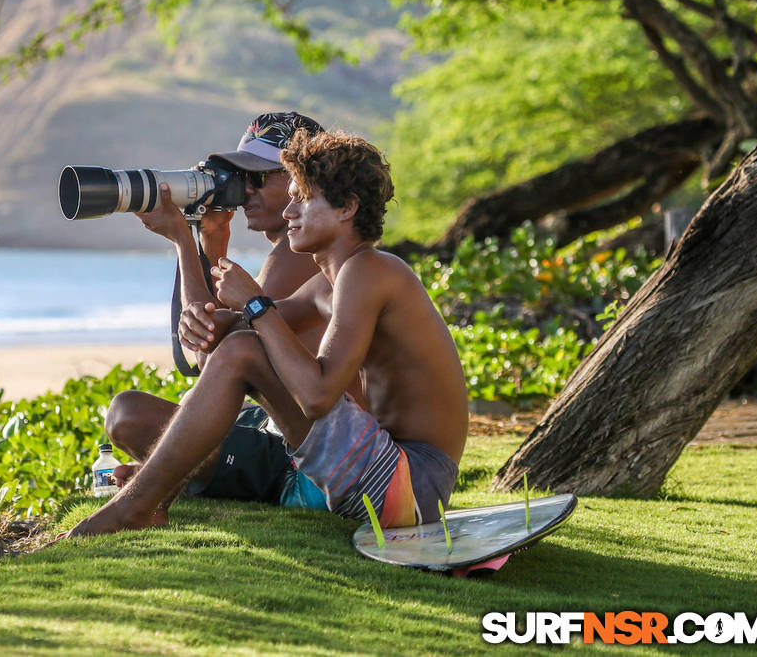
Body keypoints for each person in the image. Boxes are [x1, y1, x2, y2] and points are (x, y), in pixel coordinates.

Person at [58, 129, 468, 539]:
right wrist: (204, 318)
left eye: (301, 199)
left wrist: (255, 304)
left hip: (411, 485)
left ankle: (136, 508)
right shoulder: (332, 282)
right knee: (240, 345)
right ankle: (149, 498)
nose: (289, 213)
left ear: (347, 207)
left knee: (244, 350)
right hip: (394, 478)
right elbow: (234, 335)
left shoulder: (371, 270)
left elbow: (317, 395)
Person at [105, 111, 336, 518]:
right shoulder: (293, 250)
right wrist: (211, 240)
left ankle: (161, 485)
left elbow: (208, 355)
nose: (244, 189)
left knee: (129, 416)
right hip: (284, 440)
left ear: (303, 180)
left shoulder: (297, 256)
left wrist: (182, 237)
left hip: (302, 463)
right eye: (238, 176)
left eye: (258, 177)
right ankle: (169, 477)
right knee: (142, 417)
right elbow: (204, 348)